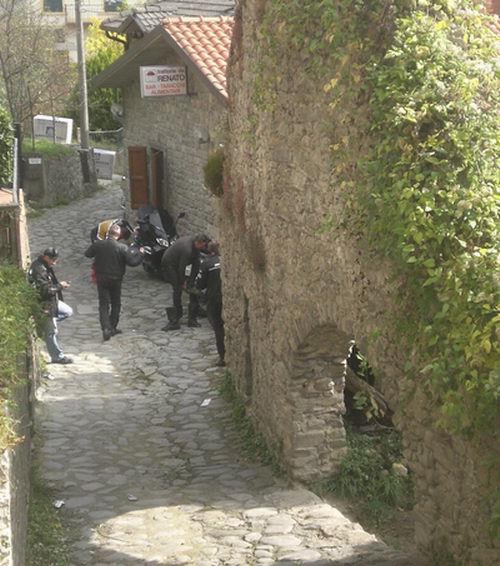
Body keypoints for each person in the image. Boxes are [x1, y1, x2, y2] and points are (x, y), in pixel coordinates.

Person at [84, 224, 143, 341]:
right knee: (116, 303)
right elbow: (132, 262)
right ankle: (113, 327)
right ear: (119, 235)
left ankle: (105, 328)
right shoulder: (122, 247)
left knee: (103, 304)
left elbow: (87, 254)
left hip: (101, 277)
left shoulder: (99, 244)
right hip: (116, 278)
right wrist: (141, 254)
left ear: (108, 233)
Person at [28, 247, 74, 364]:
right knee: (51, 332)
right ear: (46, 257)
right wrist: (60, 286)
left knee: (68, 311)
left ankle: (43, 324)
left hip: (52, 301)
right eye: (53, 260)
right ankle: (57, 356)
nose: (54, 263)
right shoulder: (39, 270)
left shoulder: (44, 265)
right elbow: (45, 291)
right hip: (45, 304)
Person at [160, 233, 210, 331]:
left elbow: (196, 265)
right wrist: (183, 282)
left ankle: (192, 319)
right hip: (170, 264)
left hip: (179, 263)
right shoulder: (187, 250)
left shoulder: (195, 247)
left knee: (192, 289)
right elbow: (181, 268)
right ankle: (175, 319)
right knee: (177, 289)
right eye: (203, 246)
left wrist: (191, 282)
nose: (203, 248)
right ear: (198, 243)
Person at [197, 241, 225, 366]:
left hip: (214, 298)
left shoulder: (206, 263)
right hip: (225, 295)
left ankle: (222, 356)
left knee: (218, 327)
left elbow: (200, 284)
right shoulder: (225, 260)